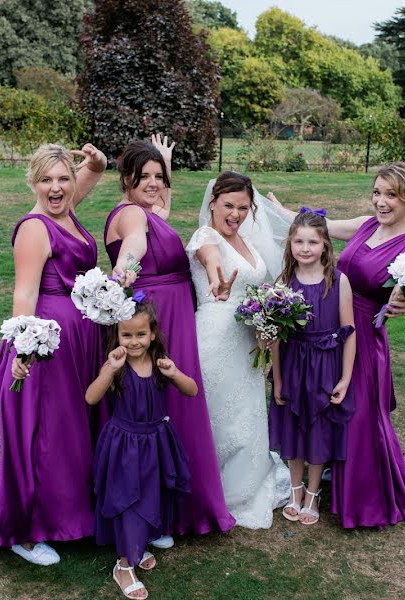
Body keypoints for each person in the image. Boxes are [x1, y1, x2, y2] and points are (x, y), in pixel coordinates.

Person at [267, 162, 405, 528]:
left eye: (391, 195)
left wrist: (401, 302)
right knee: (321, 405)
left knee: (356, 416)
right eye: (377, 192)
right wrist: (279, 210)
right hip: (323, 316)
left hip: (362, 337)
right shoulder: (365, 223)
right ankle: (317, 478)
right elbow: (313, 227)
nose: (381, 202)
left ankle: (360, 494)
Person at [0, 142, 108, 563]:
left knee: (73, 430)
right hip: (47, 345)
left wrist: (97, 166)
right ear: (32, 182)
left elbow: (75, 188)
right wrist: (25, 349)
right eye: (46, 180)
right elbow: (25, 292)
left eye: (63, 179)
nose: (56, 188)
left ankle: (71, 513)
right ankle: (25, 531)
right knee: (45, 434)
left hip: (80, 342)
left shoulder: (65, 210)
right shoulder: (34, 228)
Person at [103, 136, 235, 543]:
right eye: (144, 177)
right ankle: (155, 513)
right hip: (156, 319)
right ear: (126, 179)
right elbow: (137, 242)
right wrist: (123, 272)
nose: (155, 184)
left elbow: (160, 209)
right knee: (159, 411)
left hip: (176, 315)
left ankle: (170, 506)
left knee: (175, 407)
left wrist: (166, 165)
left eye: (158, 177)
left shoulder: (150, 209)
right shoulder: (130, 216)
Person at [186, 171, 291, 528]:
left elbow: (260, 282)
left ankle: (243, 485)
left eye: (243, 207)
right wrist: (218, 282)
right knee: (218, 416)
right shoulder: (205, 237)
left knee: (245, 414)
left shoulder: (247, 241)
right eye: (228, 205)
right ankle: (209, 490)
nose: (235, 214)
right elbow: (212, 262)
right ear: (213, 202)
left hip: (248, 340)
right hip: (215, 338)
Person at [86, 302, 196, 600]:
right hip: (124, 445)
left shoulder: (161, 363)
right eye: (126, 335)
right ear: (117, 335)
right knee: (128, 500)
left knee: (151, 495)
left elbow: (192, 390)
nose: (133, 342)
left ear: (153, 334)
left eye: (140, 334)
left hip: (156, 441)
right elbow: (91, 397)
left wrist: (174, 373)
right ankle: (123, 566)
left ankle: (141, 543)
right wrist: (111, 369)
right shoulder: (115, 366)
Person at [268, 208, 356, 526]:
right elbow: (276, 336)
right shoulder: (284, 282)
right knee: (292, 425)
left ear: (325, 245)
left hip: (325, 365)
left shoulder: (338, 282)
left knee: (319, 428)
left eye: (312, 242)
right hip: (292, 363)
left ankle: (314, 492)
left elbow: (349, 332)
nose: (305, 249)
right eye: (299, 242)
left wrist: (345, 378)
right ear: (290, 244)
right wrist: (277, 379)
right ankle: (295, 488)